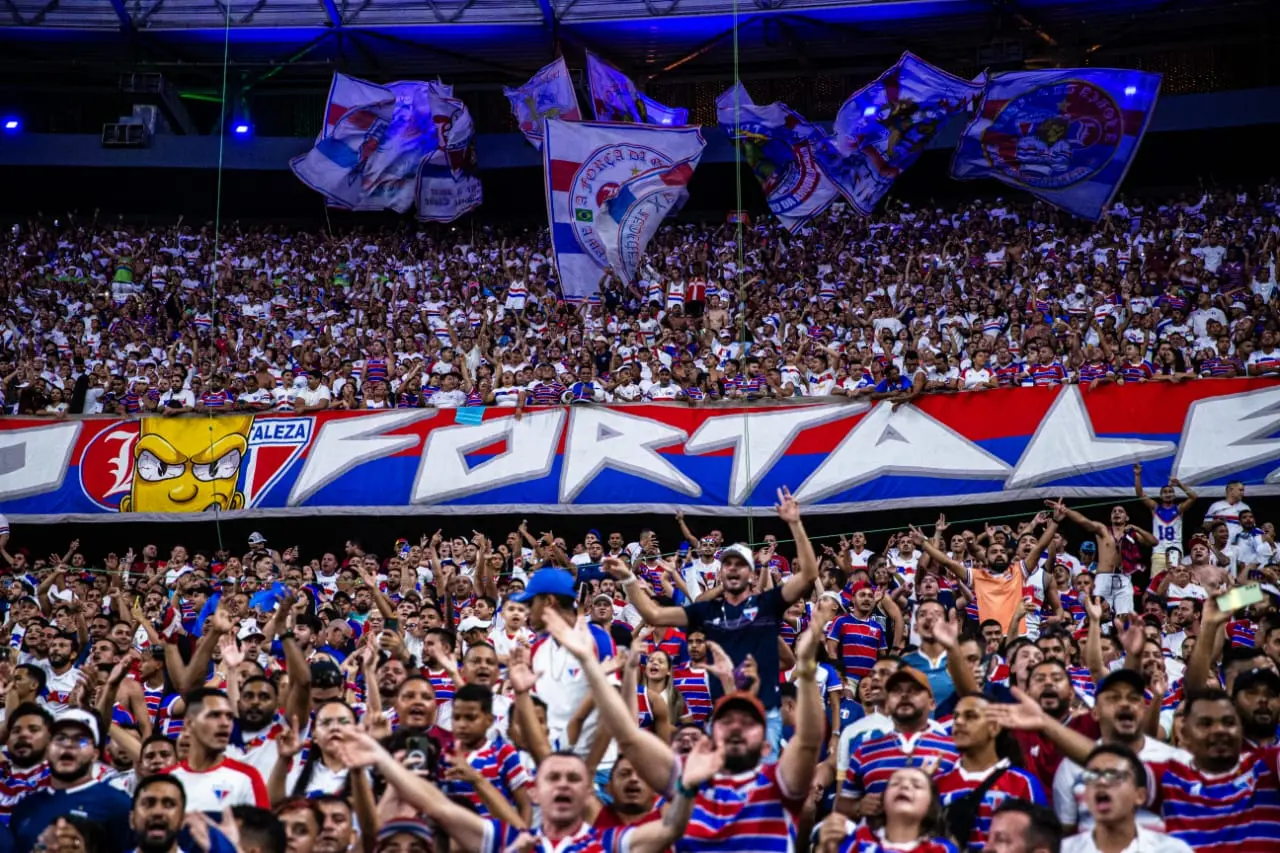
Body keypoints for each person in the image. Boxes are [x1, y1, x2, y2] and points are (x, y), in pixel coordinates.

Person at [540, 601, 826, 853]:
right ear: (711, 735)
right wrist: (588, 661)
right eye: (727, 721)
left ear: (765, 744)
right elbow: (629, 737)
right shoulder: (688, 778)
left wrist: (806, 665)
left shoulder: (778, 782)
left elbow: (809, 740)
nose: (736, 727)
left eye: (748, 722)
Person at [613, 487, 819, 753]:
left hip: (764, 717)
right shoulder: (707, 611)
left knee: (761, 780)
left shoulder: (766, 604)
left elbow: (809, 575)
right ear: (720, 573)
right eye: (728, 564)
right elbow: (654, 615)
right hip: (722, 717)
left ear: (751, 574)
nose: (733, 568)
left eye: (740, 564)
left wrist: (795, 523)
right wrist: (628, 579)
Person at [329, 723, 719, 853]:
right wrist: (380, 759)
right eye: (553, 778)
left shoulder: (607, 842)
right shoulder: (508, 840)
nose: (563, 785)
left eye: (573, 779)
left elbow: (670, 829)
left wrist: (686, 788)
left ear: (589, 792)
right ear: (534, 791)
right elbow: (439, 808)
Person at [836, 667, 959, 819]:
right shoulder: (864, 751)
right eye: (896, 691)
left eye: (914, 690)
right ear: (887, 705)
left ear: (932, 703)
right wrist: (858, 806)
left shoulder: (955, 751)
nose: (904, 695)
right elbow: (842, 803)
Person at [936, 694, 1048, 853]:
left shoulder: (1023, 783)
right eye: (956, 716)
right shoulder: (938, 784)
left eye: (971, 716)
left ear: (994, 728)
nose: (959, 722)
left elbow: (1039, 840)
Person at [10, 710, 133, 853]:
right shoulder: (25, 806)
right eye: (60, 738)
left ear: (95, 754)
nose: (68, 744)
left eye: (81, 740)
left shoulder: (118, 804)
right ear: (48, 749)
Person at [1062, 745, 1194, 853]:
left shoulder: (1171, 850)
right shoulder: (1064, 850)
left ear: (1140, 796)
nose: (1101, 782)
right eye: (1092, 775)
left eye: (1114, 775)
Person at [164, 688, 270, 811]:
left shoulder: (248, 777)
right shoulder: (165, 779)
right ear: (189, 723)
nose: (225, 723)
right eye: (214, 715)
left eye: (229, 717)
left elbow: (262, 823)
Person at [814, 767, 957, 853]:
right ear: (883, 801)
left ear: (931, 806)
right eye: (895, 783)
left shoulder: (942, 850)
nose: (905, 786)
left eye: (917, 785)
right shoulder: (858, 842)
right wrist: (824, 847)